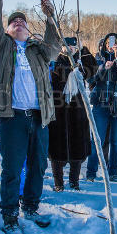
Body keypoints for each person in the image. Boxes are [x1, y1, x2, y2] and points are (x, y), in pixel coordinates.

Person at [0, 0, 61, 234]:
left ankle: (30, 205)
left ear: (29, 29)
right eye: (13, 21)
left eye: (22, 21)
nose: (18, 22)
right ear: (7, 30)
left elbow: (55, 49)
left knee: (39, 166)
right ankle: (9, 215)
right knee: (12, 168)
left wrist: (50, 17)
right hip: (13, 117)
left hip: (39, 117)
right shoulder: (1, 46)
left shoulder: (38, 51)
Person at [48, 37, 98, 191]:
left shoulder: (81, 63)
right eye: (67, 46)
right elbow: (56, 76)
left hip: (78, 111)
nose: (70, 49)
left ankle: (74, 181)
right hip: (59, 110)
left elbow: (94, 68)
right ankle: (58, 183)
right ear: (62, 47)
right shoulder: (55, 62)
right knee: (57, 150)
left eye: (74, 46)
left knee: (77, 148)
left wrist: (84, 49)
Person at [87, 33, 117, 181]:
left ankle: (113, 171)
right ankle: (91, 172)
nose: (111, 45)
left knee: (116, 141)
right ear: (104, 45)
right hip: (100, 106)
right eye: (108, 43)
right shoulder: (97, 60)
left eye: (114, 43)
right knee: (96, 140)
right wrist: (103, 68)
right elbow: (91, 81)